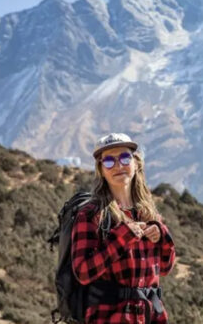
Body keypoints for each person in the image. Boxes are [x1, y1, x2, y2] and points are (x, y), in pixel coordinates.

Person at [71, 133, 176, 324]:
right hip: (110, 318)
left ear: (135, 163)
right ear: (101, 169)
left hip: (151, 316)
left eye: (125, 157)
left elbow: (166, 268)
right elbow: (83, 272)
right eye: (109, 161)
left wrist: (162, 236)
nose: (119, 165)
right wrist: (123, 237)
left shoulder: (148, 214)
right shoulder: (91, 214)